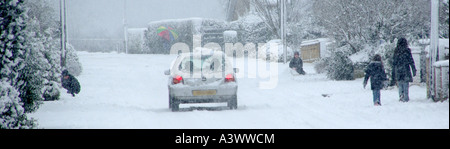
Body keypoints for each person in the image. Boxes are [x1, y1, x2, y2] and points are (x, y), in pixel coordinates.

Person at [392, 38, 416, 102]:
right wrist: (413, 69)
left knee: (400, 84)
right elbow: (411, 60)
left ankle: (401, 95)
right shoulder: (407, 50)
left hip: (399, 69)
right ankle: (406, 97)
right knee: (406, 84)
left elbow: (394, 62)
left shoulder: (396, 51)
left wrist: (393, 72)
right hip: (406, 69)